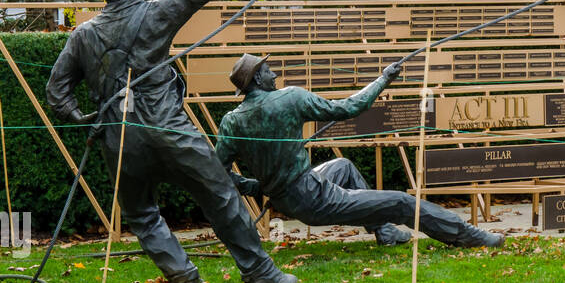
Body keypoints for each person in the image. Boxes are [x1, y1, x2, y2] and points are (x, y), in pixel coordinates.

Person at [46, 0, 298, 283]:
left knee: (141, 212)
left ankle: (180, 273)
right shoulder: (157, 12)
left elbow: (57, 91)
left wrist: (80, 117)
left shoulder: (82, 34)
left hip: (119, 140)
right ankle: (260, 272)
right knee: (221, 194)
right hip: (169, 131)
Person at [215, 54, 504, 248]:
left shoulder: (231, 120)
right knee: (402, 202)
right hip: (314, 199)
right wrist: (383, 80)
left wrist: (254, 186)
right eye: (267, 71)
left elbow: (218, 171)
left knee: (342, 166)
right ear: (256, 79)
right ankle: (468, 236)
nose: (274, 74)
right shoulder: (290, 98)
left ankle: (384, 231)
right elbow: (349, 107)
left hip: (287, 197)